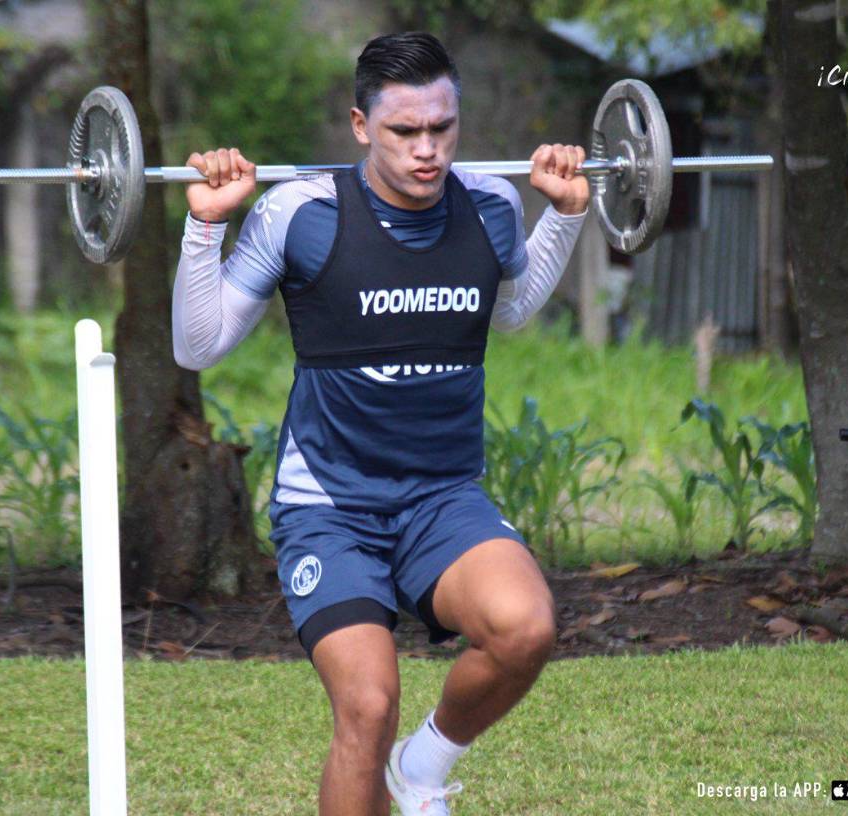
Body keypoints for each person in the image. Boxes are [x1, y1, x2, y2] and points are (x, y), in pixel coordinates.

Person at [173, 31, 588, 816]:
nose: (427, 150)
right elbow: (197, 346)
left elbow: (510, 312)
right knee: (366, 705)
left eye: (442, 128)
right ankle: (392, 757)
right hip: (330, 505)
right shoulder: (300, 213)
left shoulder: (492, 205)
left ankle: (423, 766)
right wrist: (206, 228)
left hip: (441, 496)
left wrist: (562, 217)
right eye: (404, 132)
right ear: (361, 126)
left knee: (526, 628)